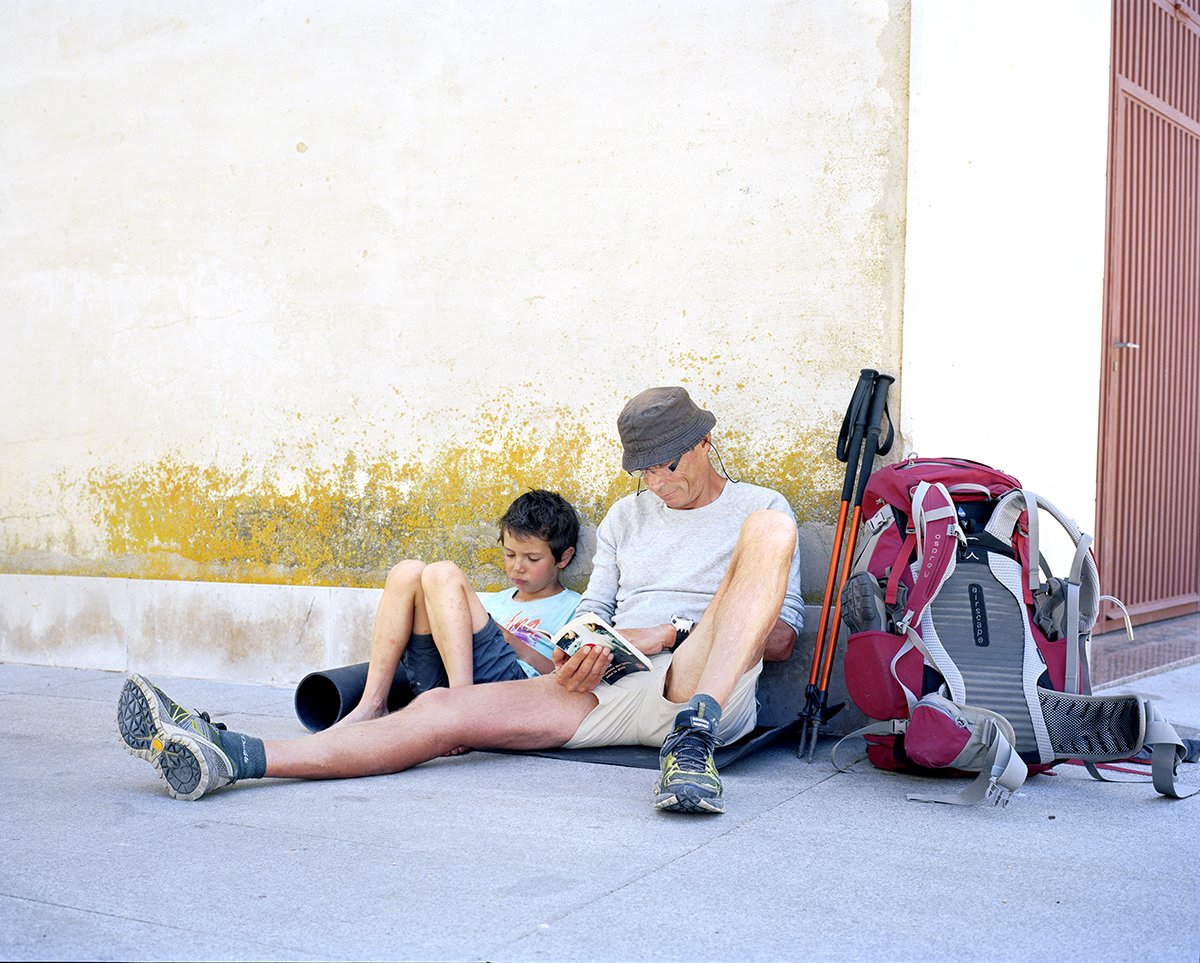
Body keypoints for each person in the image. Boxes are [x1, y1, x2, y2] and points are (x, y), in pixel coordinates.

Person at [117, 386, 803, 815]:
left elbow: (778, 640)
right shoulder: (628, 517)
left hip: (705, 680)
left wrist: (674, 631)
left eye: (669, 464)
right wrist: (590, 642)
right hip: (614, 681)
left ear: (705, 442)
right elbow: (596, 610)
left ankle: (695, 738)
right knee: (441, 708)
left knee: (767, 535)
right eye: (644, 468)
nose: (656, 480)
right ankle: (234, 754)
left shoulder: (759, 507)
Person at [333, 489, 581, 728]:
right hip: (444, 685)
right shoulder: (492, 602)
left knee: (442, 573)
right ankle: (373, 704)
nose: (517, 567)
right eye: (509, 554)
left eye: (532, 558)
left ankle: (459, 714)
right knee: (406, 572)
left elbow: (563, 676)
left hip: (511, 690)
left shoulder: (574, 607)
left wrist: (507, 638)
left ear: (564, 557)